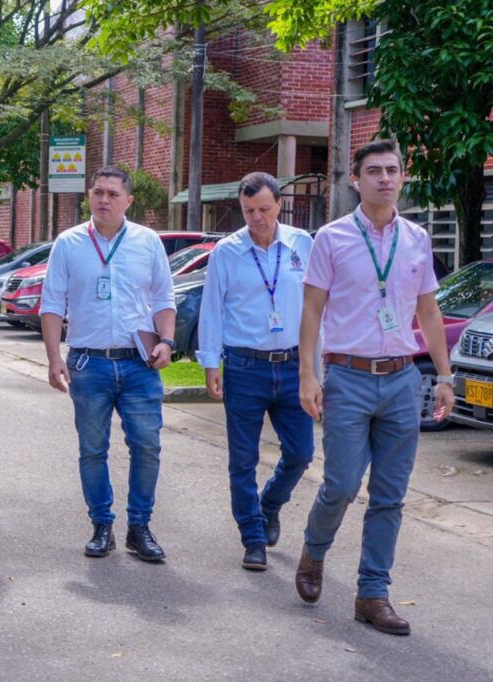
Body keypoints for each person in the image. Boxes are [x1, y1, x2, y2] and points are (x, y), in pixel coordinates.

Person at [296, 139, 454, 635]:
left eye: (392, 170)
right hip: (347, 377)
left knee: (390, 495)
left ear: (402, 177)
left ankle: (372, 593)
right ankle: (314, 552)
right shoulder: (332, 238)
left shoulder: (417, 239)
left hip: (403, 380)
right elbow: (312, 310)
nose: (384, 178)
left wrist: (445, 376)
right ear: (355, 179)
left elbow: (428, 312)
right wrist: (307, 375)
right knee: (341, 485)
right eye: (374, 171)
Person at [40, 165, 175, 562]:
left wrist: (167, 341)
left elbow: (163, 298)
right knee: (93, 449)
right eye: (98, 192)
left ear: (128, 201)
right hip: (88, 363)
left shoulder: (148, 242)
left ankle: (140, 527)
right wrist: (53, 357)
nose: (103, 200)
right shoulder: (68, 243)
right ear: (89, 196)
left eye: (113, 194)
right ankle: (101, 526)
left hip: (138, 364)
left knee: (147, 447)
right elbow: (52, 303)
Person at [196, 172, 315, 572]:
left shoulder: (302, 244)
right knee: (243, 460)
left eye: (264, 209)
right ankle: (253, 537)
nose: (257, 218)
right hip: (245, 366)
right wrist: (210, 362)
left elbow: (317, 307)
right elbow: (212, 309)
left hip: (294, 365)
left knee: (301, 453)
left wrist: (317, 368)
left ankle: (270, 504)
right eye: (249, 211)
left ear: (279, 204)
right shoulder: (227, 252)